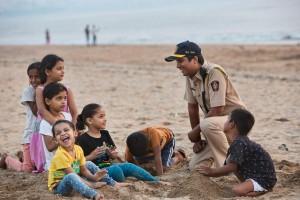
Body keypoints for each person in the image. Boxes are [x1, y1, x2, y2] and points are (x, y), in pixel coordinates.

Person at [165, 41, 246, 170]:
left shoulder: (214, 72)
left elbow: (217, 110)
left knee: (207, 125)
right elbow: (192, 108)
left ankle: (230, 166)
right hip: (218, 127)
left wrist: (195, 131)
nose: (178, 66)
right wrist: (197, 140)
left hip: (236, 123)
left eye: (181, 61)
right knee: (195, 167)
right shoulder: (190, 76)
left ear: (195, 59)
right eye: (177, 62)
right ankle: (227, 155)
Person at [198, 109, 277, 197]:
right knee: (230, 161)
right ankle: (250, 186)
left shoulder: (239, 142)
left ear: (232, 124)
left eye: (227, 119)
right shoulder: (240, 141)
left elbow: (231, 167)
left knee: (237, 190)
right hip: (256, 175)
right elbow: (229, 168)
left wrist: (211, 171)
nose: (225, 122)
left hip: (264, 179)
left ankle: (262, 191)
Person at [76, 103, 159, 182]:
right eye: (101, 117)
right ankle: (121, 183)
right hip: (96, 172)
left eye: (105, 116)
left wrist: (112, 154)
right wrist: (92, 156)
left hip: (109, 166)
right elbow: (75, 163)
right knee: (116, 170)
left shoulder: (105, 134)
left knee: (129, 166)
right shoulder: (82, 139)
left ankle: (154, 180)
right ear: (90, 120)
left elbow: (113, 155)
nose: (105, 119)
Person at [49, 120, 107, 200]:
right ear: (55, 140)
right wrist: (91, 185)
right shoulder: (59, 155)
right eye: (58, 133)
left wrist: (93, 177)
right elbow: (72, 174)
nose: (62, 133)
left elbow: (83, 170)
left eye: (66, 130)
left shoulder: (78, 149)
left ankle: (111, 182)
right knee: (71, 176)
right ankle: (93, 194)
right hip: (60, 186)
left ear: (75, 133)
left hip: (75, 176)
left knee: (88, 163)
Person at [0, 62, 41, 172]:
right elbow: (36, 112)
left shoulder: (46, 90)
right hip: (30, 133)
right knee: (28, 169)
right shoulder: (28, 91)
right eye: (30, 77)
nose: (33, 80)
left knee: (38, 166)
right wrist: (38, 92)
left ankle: (22, 156)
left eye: (36, 77)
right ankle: (7, 159)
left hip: (41, 134)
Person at [36, 54, 77, 125]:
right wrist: (57, 125)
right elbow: (42, 110)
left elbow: (74, 112)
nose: (63, 71)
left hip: (64, 127)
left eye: (63, 68)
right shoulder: (40, 90)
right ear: (48, 72)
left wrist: (73, 127)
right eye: (59, 69)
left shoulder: (66, 89)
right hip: (46, 127)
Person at [39, 82, 72, 170]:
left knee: (88, 165)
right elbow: (49, 147)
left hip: (71, 161)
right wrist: (65, 137)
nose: (63, 101)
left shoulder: (67, 116)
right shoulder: (45, 123)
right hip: (56, 167)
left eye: (65, 98)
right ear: (47, 101)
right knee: (73, 176)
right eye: (59, 98)